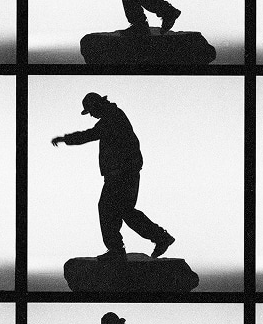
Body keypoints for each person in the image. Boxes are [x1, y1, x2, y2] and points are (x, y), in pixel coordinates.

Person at [52, 92, 175, 262]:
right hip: (124, 173)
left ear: (97, 105)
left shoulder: (112, 118)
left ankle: (117, 249)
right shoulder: (114, 115)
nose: (92, 115)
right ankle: (160, 238)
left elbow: (90, 135)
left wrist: (66, 139)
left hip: (121, 174)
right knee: (125, 211)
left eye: (91, 111)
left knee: (107, 208)